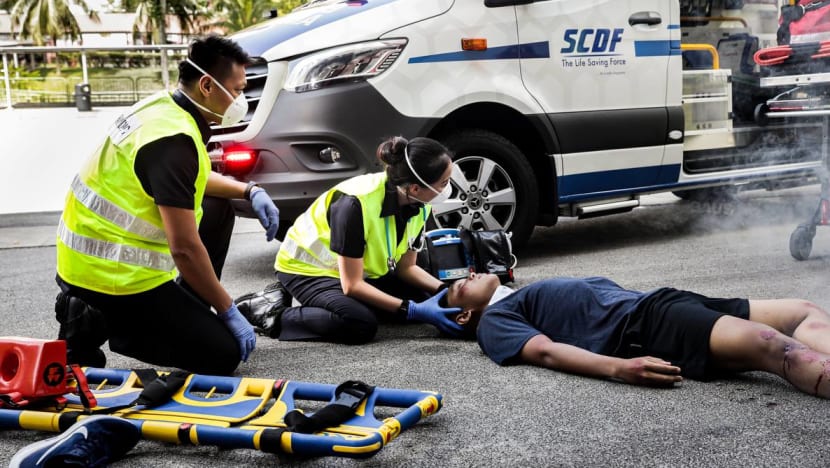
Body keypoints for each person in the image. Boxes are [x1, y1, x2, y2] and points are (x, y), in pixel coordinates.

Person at [54, 35, 280, 375]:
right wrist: (228, 309)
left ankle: (183, 310)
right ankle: (100, 320)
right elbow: (185, 249)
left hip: (92, 258)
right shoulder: (172, 142)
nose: (241, 99)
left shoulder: (166, 109)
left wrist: (248, 191)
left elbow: (194, 180)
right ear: (207, 85)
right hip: (110, 277)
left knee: (218, 208)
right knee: (222, 355)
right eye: (237, 90)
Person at [444, 272, 830, 398]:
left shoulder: (519, 294)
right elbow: (545, 352)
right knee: (776, 348)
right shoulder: (494, 320)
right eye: (462, 284)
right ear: (464, 315)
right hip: (646, 323)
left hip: (663, 302)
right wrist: (620, 368)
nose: (471, 274)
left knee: (802, 311)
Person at [267, 136, 462, 343]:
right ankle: (271, 313)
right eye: (444, 182)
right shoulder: (354, 204)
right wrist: (409, 309)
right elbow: (352, 286)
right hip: (305, 270)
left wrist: (446, 290)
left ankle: (363, 305)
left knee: (425, 298)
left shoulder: (420, 201)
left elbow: (407, 268)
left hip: (353, 272)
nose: (447, 188)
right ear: (415, 188)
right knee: (359, 323)